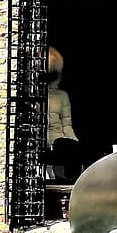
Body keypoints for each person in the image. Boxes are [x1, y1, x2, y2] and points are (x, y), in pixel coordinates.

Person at [45, 46, 83, 182]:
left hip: (57, 142)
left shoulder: (62, 96)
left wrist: (75, 144)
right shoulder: (32, 95)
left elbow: (66, 124)